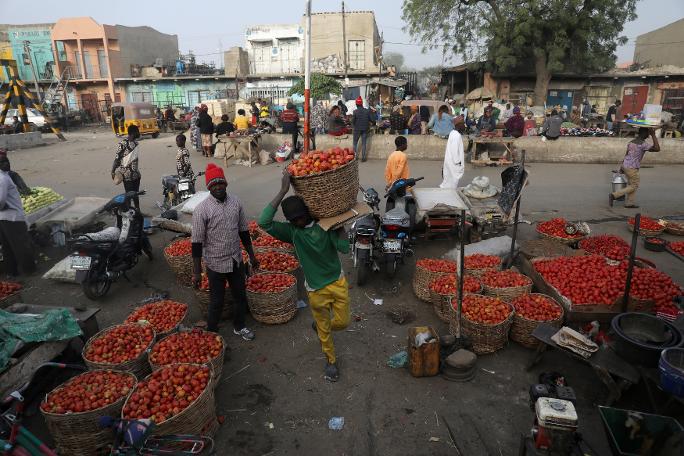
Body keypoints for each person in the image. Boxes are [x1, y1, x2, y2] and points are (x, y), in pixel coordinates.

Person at [258, 173, 350, 382]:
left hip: (337, 282)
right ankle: (331, 360)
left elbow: (344, 248)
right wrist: (282, 190)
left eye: (300, 217)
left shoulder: (325, 226)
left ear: (307, 212)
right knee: (325, 329)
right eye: (294, 220)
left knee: (343, 322)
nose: (299, 221)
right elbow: (264, 222)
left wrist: (340, 226)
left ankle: (321, 327)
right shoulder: (292, 232)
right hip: (315, 289)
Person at [192, 163, 258, 338]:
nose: (218, 186)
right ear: (209, 187)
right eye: (214, 184)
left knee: (240, 296)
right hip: (215, 263)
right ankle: (212, 332)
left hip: (235, 259)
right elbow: (196, 242)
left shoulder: (236, 202)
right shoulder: (202, 210)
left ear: (226, 184)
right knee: (216, 302)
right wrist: (197, 272)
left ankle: (239, 326)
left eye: (221, 183)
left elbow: (243, 231)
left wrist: (251, 255)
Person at [0, 154, 35, 276]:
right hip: (12, 217)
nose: (6, 164)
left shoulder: (6, 175)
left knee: (8, 246)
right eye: (3, 162)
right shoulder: (2, 178)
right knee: (21, 245)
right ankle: (29, 270)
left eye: (7, 161)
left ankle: (11, 271)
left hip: (5, 218)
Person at [609, 128, 660, 208]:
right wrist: (653, 135)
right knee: (634, 185)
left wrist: (621, 168)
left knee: (631, 184)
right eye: (648, 133)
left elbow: (626, 155)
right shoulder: (643, 144)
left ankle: (629, 203)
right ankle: (614, 195)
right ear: (644, 133)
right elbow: (657, 148)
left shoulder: (631, 142)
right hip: (632, 168)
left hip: (626, 166)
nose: (648, 135)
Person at [112, 125, 141, 208]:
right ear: (132, 133)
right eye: (137, 131)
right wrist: (113, 171)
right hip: (130, 175)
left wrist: (113, 170)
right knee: (131, 195)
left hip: (132, 175)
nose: (138, 133)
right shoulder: (126, 144)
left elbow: (118, 159)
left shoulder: (133, 143)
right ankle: (133, 212)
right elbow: (118, 158)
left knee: (132, 195)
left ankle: (135, 211)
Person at [439, 117, 466, 189]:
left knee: (448, 180)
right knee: (452, 182)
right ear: (458, 125)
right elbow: (454, 150)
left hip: (450, 161)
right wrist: (458, 162)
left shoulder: (453, 133)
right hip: (454, 163)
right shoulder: (456, 135)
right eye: (463, 124)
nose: (464, 126)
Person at [351, 96, 371, 161]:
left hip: (357, 130)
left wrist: (353, 126)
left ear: (356, 104)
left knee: (355, 143)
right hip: (365, 129)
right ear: (362, 104)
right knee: (364, 143)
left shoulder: (355, 112)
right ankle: (363, 158)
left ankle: (355, 157)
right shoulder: (367, 111)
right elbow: (370, 119)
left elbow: (353, 121)